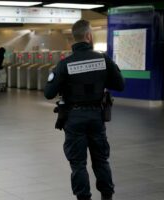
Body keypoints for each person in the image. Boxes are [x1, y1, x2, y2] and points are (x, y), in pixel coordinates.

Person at [44, 19, 125, 200]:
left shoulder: (65, 64)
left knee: (78, 164)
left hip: (74, 117)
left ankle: (83, 197)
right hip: (97, 116)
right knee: (101, 160)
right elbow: (120, 84)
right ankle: (107, 196)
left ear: (74, 39)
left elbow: (49, 93)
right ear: (89, 36)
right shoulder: (103, 59)